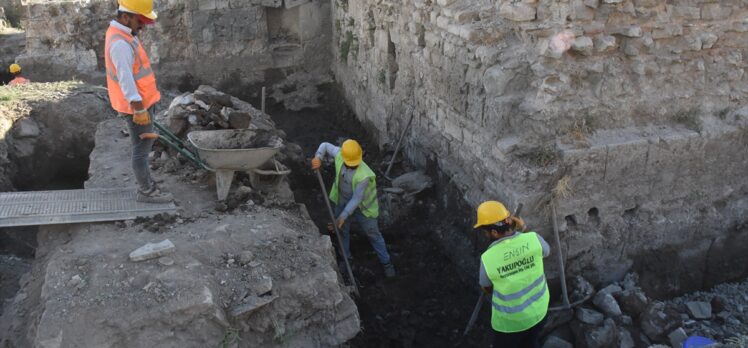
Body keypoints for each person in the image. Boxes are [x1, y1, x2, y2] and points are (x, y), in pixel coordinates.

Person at [105, 0, 171, 203]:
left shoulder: (125, 35)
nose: (142, 25)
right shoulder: (120, 44)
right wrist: (139, 108)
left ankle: (148, 183)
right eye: (139, 20)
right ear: (125, 17)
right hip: (137, 107)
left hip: (143, 102)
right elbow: (126, 79)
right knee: (141, 150)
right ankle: (146, 191)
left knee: (143, 145)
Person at [311, 139, 396, 278]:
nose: (352, 166)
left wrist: (342, 217)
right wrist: (318, 157)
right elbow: (325, 145)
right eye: (350, 164)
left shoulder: (364, 175)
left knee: (373, 234)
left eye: (355, 164)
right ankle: (346, 259)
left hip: (364, 208)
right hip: (342, 202)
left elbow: (357, 198)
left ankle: (387, 263)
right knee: (342, 232)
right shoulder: (340, 154)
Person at [474, 201, 551, 348]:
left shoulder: (488, 258)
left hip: (511, 323)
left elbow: (486, 287)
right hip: (539, 312)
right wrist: (525, 229)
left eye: (485, 231)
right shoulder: (533, 238)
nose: (485, 234)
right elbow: (546, 251)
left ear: (495, 233)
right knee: (531, 343)